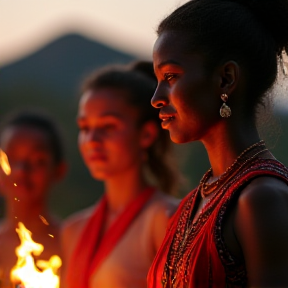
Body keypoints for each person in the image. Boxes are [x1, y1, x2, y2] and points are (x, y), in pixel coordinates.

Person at [148, 0, 288, 287]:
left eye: (171, 76)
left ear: (226, 79)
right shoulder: (189, 205)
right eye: (158, 79)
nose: (157, 98)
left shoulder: (263, 199)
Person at [61, 62, 180, 288]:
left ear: (145, 134)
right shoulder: (73, 230)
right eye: (85, 128)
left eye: (108, 127)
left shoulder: (165, 220)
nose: (92, 141)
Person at [0, 109, 67, 288]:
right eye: (11, 159)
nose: (22, 170)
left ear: (58, 171)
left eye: (38, 161)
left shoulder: (73, 245)